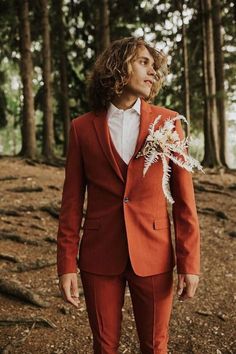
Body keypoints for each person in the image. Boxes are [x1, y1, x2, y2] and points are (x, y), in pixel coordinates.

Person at [57, 36, 200, 354]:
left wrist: (189, 262)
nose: (153, 73)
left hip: (154, 253)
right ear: (118, 67)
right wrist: (66, 264)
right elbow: (70, 202)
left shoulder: (168, 123)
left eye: (154, 66)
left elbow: (184, 200)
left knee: (155, 345)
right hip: (98, 255)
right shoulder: (82, 128)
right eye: (143, 62)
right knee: (104, 346)